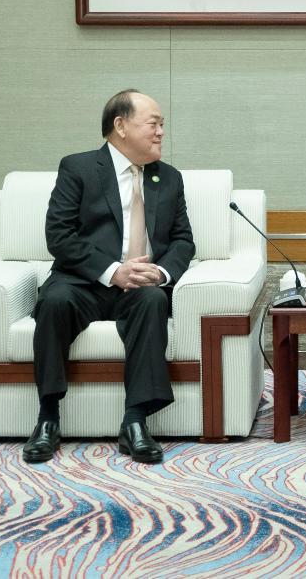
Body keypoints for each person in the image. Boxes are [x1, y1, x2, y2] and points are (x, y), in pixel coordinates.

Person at [22, 90, 195, 464]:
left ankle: (135, 422)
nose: (161, 132)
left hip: (140, 287)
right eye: (153, 123)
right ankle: (48, 418)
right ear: (121, 126)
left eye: (162, 124)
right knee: (53, 301)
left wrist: (160, 272)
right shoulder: (79, 168)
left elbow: (183, 240)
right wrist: (113, 271)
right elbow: (60, 236)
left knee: (154, 300)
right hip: (83, 281)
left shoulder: (169, 178)